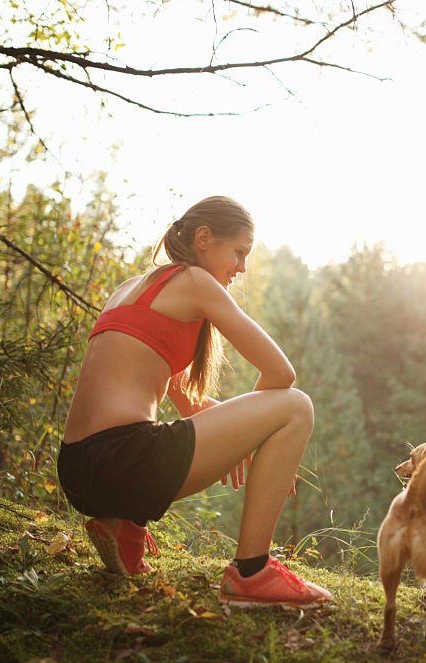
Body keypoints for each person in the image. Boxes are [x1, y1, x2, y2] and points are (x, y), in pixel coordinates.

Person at [56, 196, 330, 608]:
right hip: (123, 459)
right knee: (296, 406)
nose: (242, 269)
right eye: (239, 252)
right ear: (204, 238)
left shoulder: (132, 289)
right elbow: (281, 375)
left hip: (77, 468)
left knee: (164, 428)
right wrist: (258, 436)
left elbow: (191, 404)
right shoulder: (194, 283)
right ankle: (252, 573)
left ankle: (120, 526)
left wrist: (244, 435)